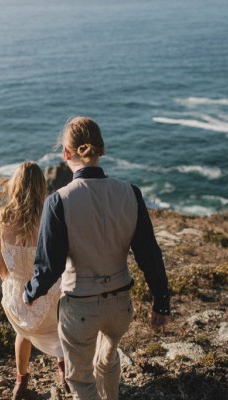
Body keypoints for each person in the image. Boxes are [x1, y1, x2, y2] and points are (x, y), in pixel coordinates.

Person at [23, 116, 171, 400]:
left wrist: (31, 293)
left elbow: (49, 266)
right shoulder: (131, 192)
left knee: (80, 379)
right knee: (108, 357)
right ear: (101, 149)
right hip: (120, 306)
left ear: (66, 154)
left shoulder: (58, 200)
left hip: (80, 307)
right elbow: (149, 254)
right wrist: (161, 300)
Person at [0, 161, 65, 400]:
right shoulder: (49, 215)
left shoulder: (1, 216)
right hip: (48, 290)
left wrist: (12, 284)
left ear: (15, 185)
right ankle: (64, 371)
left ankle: (21, 381)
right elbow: (58, 258)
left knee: (23, 333)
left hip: (17, 294)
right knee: (59, 327)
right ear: (40, 187)